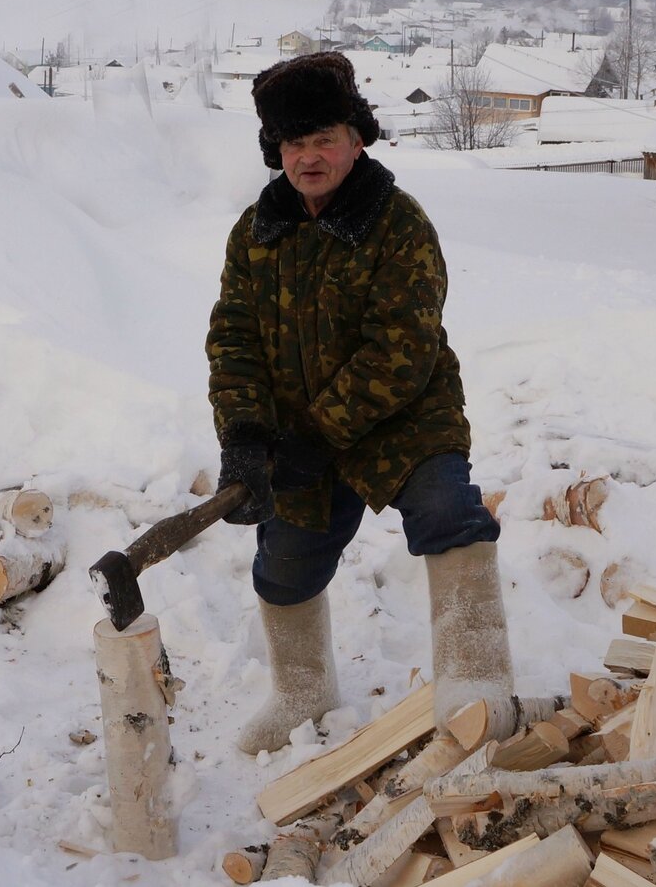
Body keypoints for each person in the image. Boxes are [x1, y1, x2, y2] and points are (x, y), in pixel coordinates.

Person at [206, 52, 514, 755]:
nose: (308, 157)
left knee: (446, 511)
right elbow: (234, 338)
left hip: (404, 416)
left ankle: (476, 680)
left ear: (356, 140)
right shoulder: (255, 233)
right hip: (298, 430)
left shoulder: (398, 224)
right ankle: (301, 692)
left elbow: (401, 347)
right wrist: (246, 436)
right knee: (284, 561)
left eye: (323, 139)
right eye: (294, 143)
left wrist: (320, 432)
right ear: (275, 150)